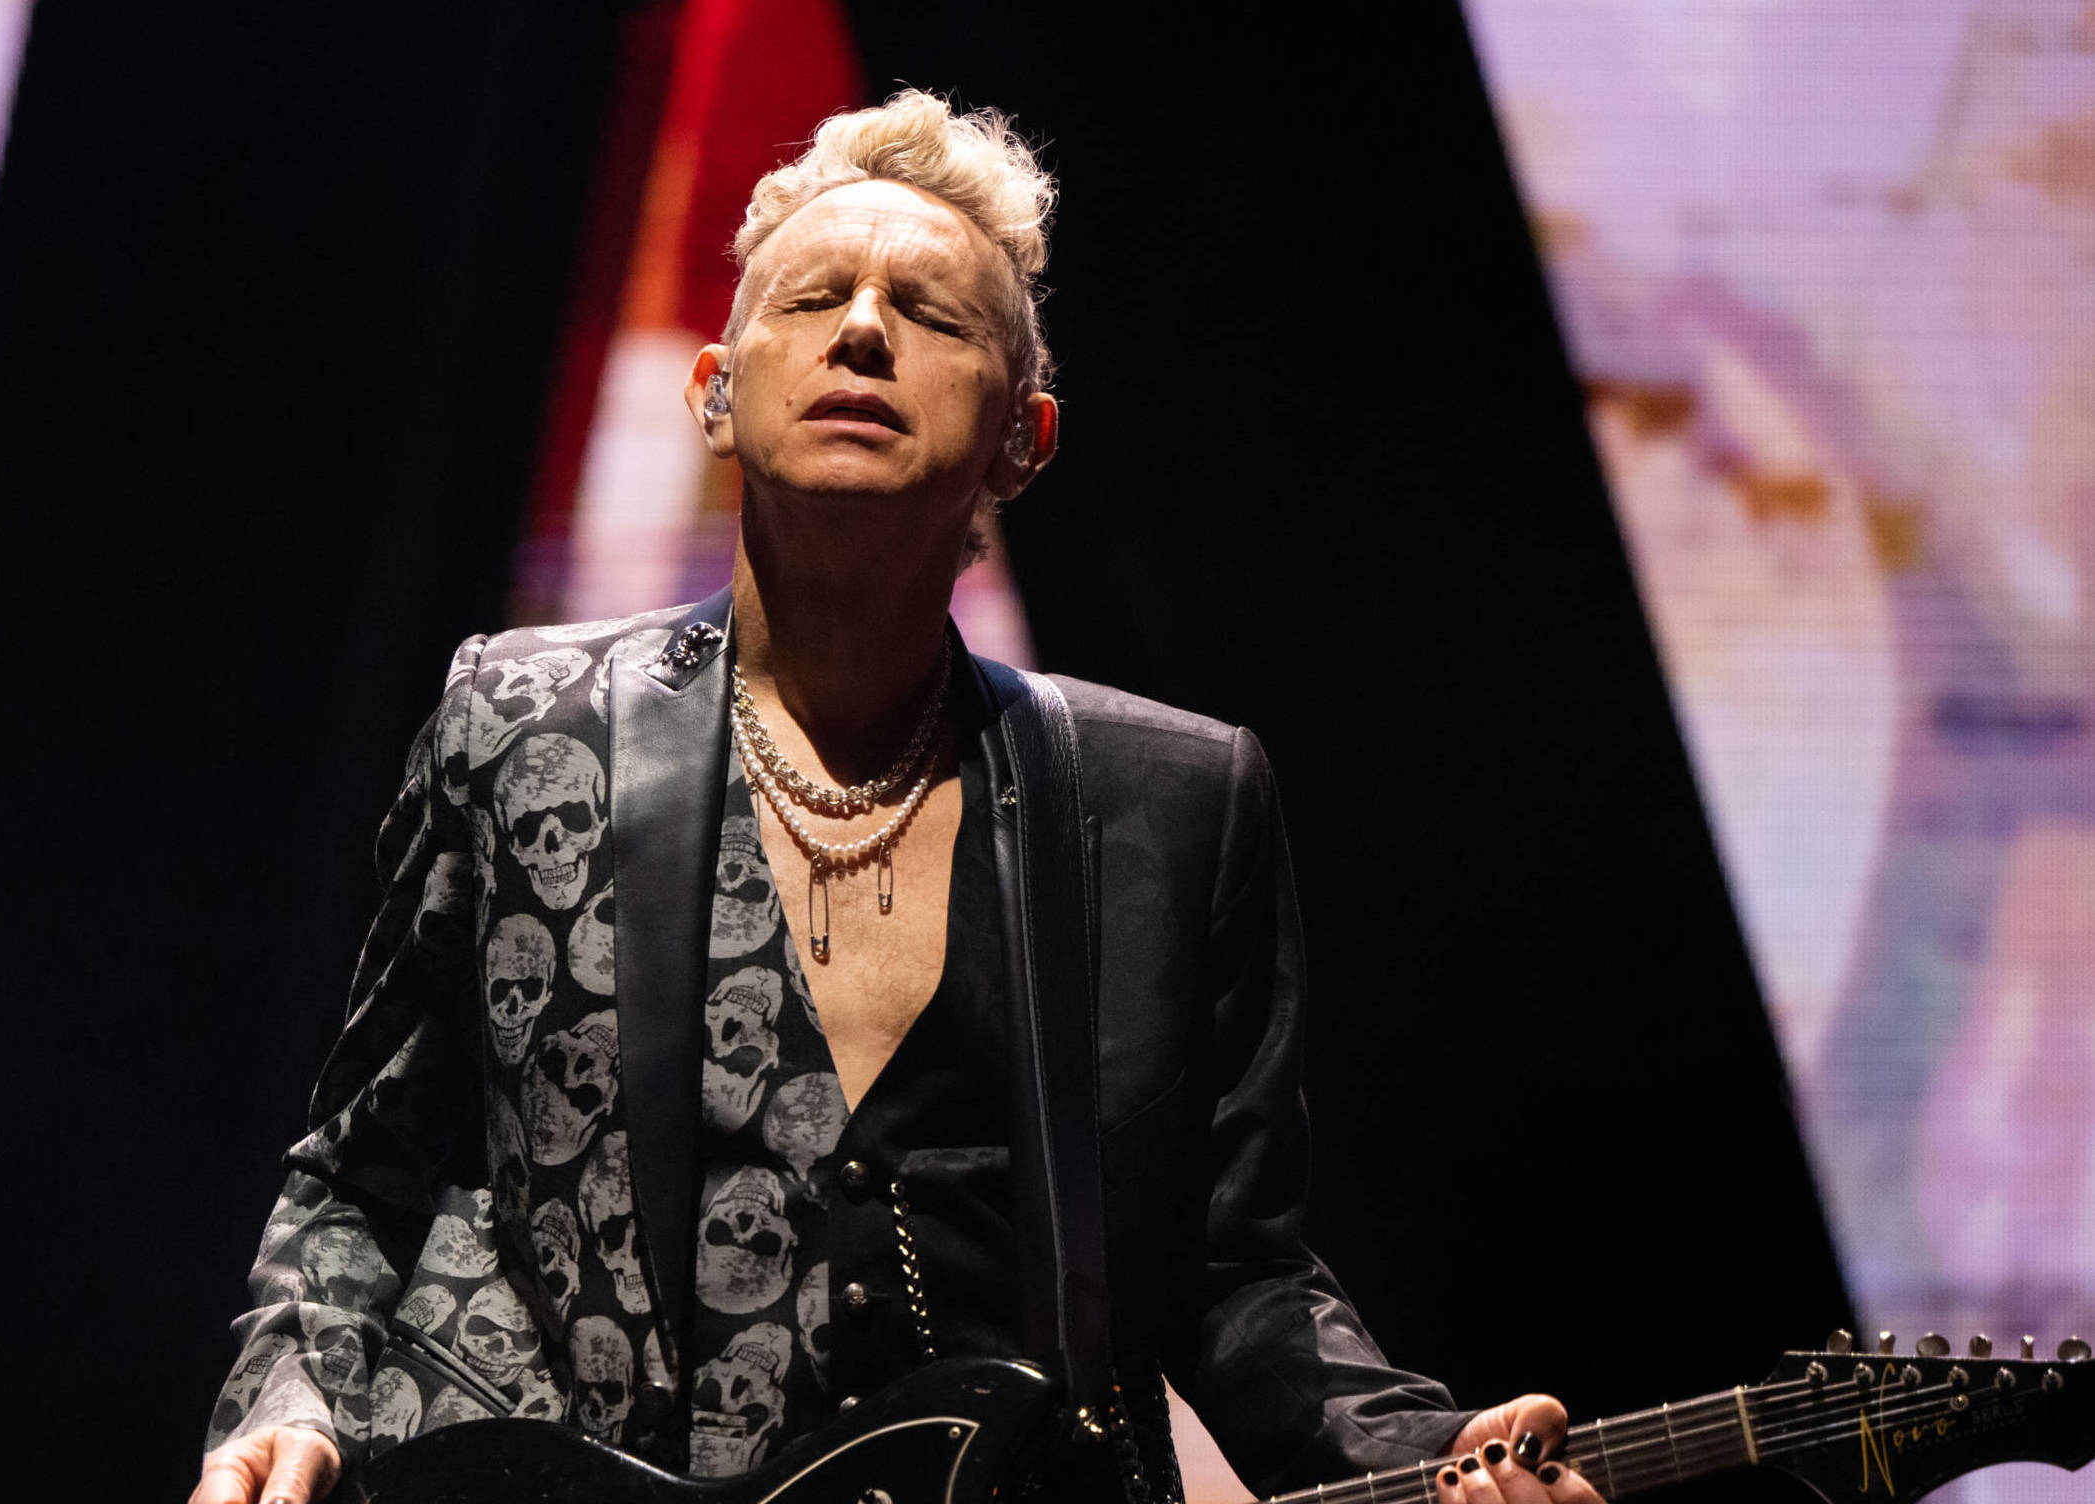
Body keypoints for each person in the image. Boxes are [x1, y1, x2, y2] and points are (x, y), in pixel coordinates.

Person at [190, 91, 1605, 1504]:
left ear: (1025, 437)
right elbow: (360, 1179)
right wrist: (289, 1403)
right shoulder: (521, 723)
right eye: (814, 298)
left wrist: (1434, 1457)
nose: (863, 331)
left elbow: (1238, 1272)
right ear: (715, 390)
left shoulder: (1169, 802)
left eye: (931, 315)